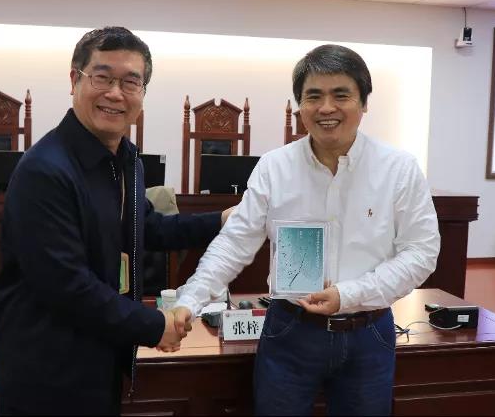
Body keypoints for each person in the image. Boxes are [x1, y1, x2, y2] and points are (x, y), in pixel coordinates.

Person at [173, 44, 440, 415]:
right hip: (290, 331)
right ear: (300, 105)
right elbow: (234, 243)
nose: (326, 108)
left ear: (364, 102)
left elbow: (421, 252)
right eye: (313, 96)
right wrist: (189, 300)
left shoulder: (399, 169)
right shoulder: (275, 167)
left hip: (368, 333)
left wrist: (348, 295)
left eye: (341, 95)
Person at [0, 26, 228, 416]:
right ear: (75, 79)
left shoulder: (126, 161)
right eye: (102, 78)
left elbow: (147, 228)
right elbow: (67, 286)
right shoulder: (45, 171)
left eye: (130, 82)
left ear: (142, 93)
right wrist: (155, 325)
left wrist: (221, 220)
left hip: (101, 356)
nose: (116, 93)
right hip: (46, 372)